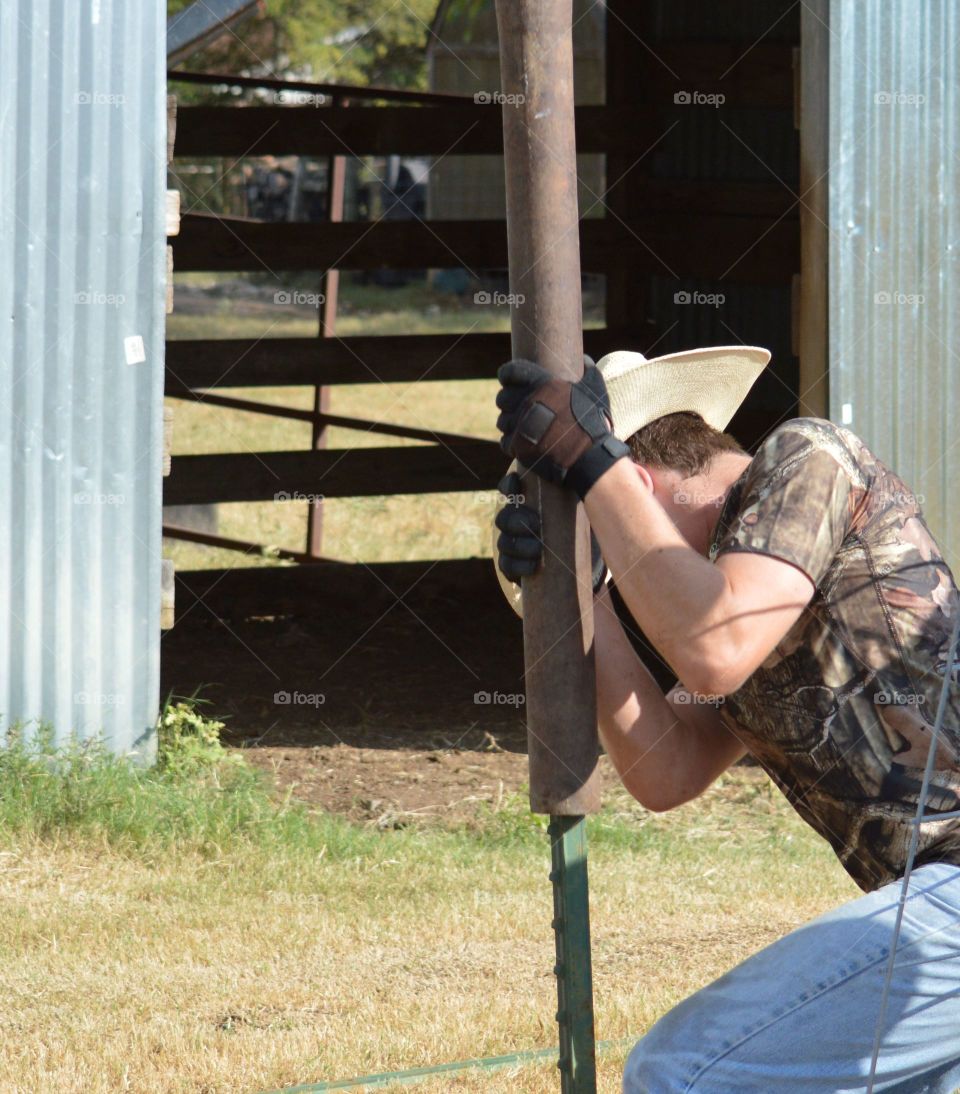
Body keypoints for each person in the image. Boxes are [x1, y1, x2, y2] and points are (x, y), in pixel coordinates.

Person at [493, 347, 960, 1094]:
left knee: (681, 1073)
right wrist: (584, 598)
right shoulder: (748, 594)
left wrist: (590, 469)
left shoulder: (809, 455)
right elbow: (665, 769)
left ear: (636, 486)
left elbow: (714, 646)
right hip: (937, 906)